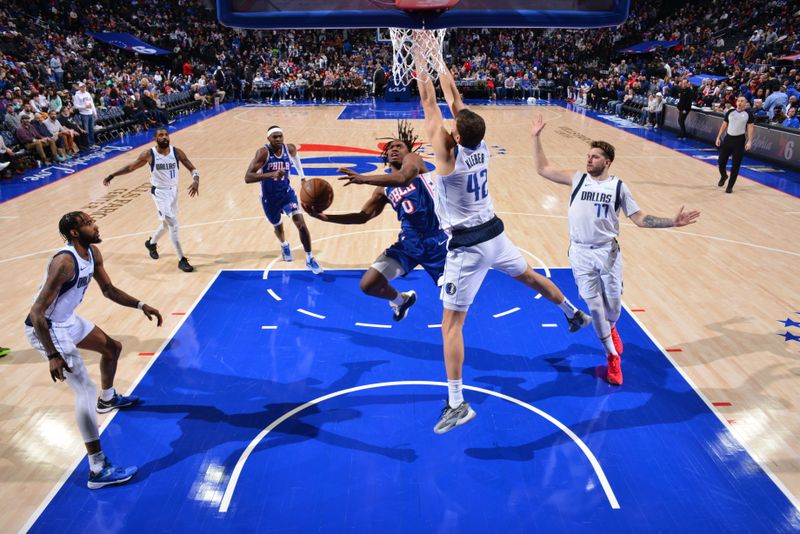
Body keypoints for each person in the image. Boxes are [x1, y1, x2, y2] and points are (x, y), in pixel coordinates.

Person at [344, 41, 590, 434]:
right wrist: (436, 55)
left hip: (469, 245)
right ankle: (573, 313)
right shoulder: (481, 145)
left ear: (456, 135)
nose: (450, 125)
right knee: (527, 275)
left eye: (453, 126)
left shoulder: (448, 156)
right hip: (495, 232)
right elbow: (454, 99)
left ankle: (457, 404)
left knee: (451, 326)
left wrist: (421, 58)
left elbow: (431, 101)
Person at [530, 114, 700, 385]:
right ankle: (612, 357)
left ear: (607, 162)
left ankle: (611, 328)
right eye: (588, 155)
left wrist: (672, 221)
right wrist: (536, 137)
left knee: (613, 309)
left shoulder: (619, 187)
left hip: (608, 253)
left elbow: (640, 219)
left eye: (595, 156)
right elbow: (543, 169)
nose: (589, 159)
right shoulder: (577, 179)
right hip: (581, 254)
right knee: (595, 309)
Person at [25, 211, 163, 488]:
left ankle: (108, 399)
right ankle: (97, 469)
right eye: (88, 223)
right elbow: (37, 312)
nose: (95, 225)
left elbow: (109, 290)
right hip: (47, 328)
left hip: (66, 321)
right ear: (75, 232)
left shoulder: (93, 253)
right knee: (84, 390)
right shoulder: (64, 262)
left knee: (112, 348)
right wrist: (52, 355)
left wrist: (140, 305)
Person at [310, 120, 447, 320]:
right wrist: (324, 217)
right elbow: (363, 217)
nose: (394, 149)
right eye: (390, 147)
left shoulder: (415, 162)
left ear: (408, 150)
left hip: (438, 240)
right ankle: (402, 300)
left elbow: (404, 178)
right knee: (369, 284)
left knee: (453, 299)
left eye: (399, 146)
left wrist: (364, 178)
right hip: (409, 243)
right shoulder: (383, 189)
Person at [102, 128, 200, 272]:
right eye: (161, 135)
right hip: (159, 193)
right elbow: (130, 168)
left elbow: (192, 168)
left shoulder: (177, 152)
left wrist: (196, 180)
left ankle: (151, 243)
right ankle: (181, 260)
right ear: (155, 139)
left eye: (166, 134)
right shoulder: (149, 154)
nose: (165, 137)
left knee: (166, 225)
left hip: (173, 191)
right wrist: (113, 175)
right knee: (173, 224)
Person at [244, 125, 322, 274]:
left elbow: (297, 161)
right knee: (278, 227)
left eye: (280, 136)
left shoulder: (290, 149)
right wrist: (270, 174)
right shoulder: (263, 153)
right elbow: (248, 177)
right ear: (268, 138)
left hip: (287, 194)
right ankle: (284, 244)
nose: (278, 139)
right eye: (275, 137)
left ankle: (310, 258)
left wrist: (303, 178)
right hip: (269, 198)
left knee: (301, 224)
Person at [716, 96, 754, 194]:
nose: (740, 102)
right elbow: (724, 125)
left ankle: (730, 186)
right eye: (739, 101)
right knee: (721, 161)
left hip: (739, 140)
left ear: (746, 103)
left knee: (735, 165)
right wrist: (718, 137)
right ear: (736, 102)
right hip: (728, 138)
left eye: (742, 101)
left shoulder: (748, 114)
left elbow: (750, 127)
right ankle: (724, 175)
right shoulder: (730, 112)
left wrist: (749, 141)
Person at [73, 82, 98, 149]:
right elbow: (75, 106)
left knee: (91, 129)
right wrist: (84, 106)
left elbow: (92, 103)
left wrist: (94, 112)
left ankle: (93, 143)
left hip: (90, 113)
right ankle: (88, 144)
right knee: (86, 130)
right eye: (82, 87)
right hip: (84, 114)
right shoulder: (77, 95)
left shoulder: (87, 93)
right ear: (79, 87)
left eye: (84, 87)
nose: (83, 88)